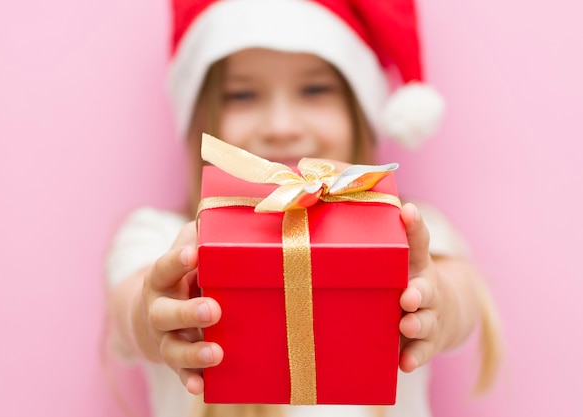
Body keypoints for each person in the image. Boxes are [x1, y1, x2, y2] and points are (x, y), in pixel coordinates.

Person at [105, 1, 502, 416]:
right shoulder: (160, 239)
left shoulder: (409, 229)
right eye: (242, 94)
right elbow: (133, 305)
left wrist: (437, 303)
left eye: (315, 90)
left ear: (360, 111)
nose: (282, 127)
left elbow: (461, 294)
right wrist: (155, 320)